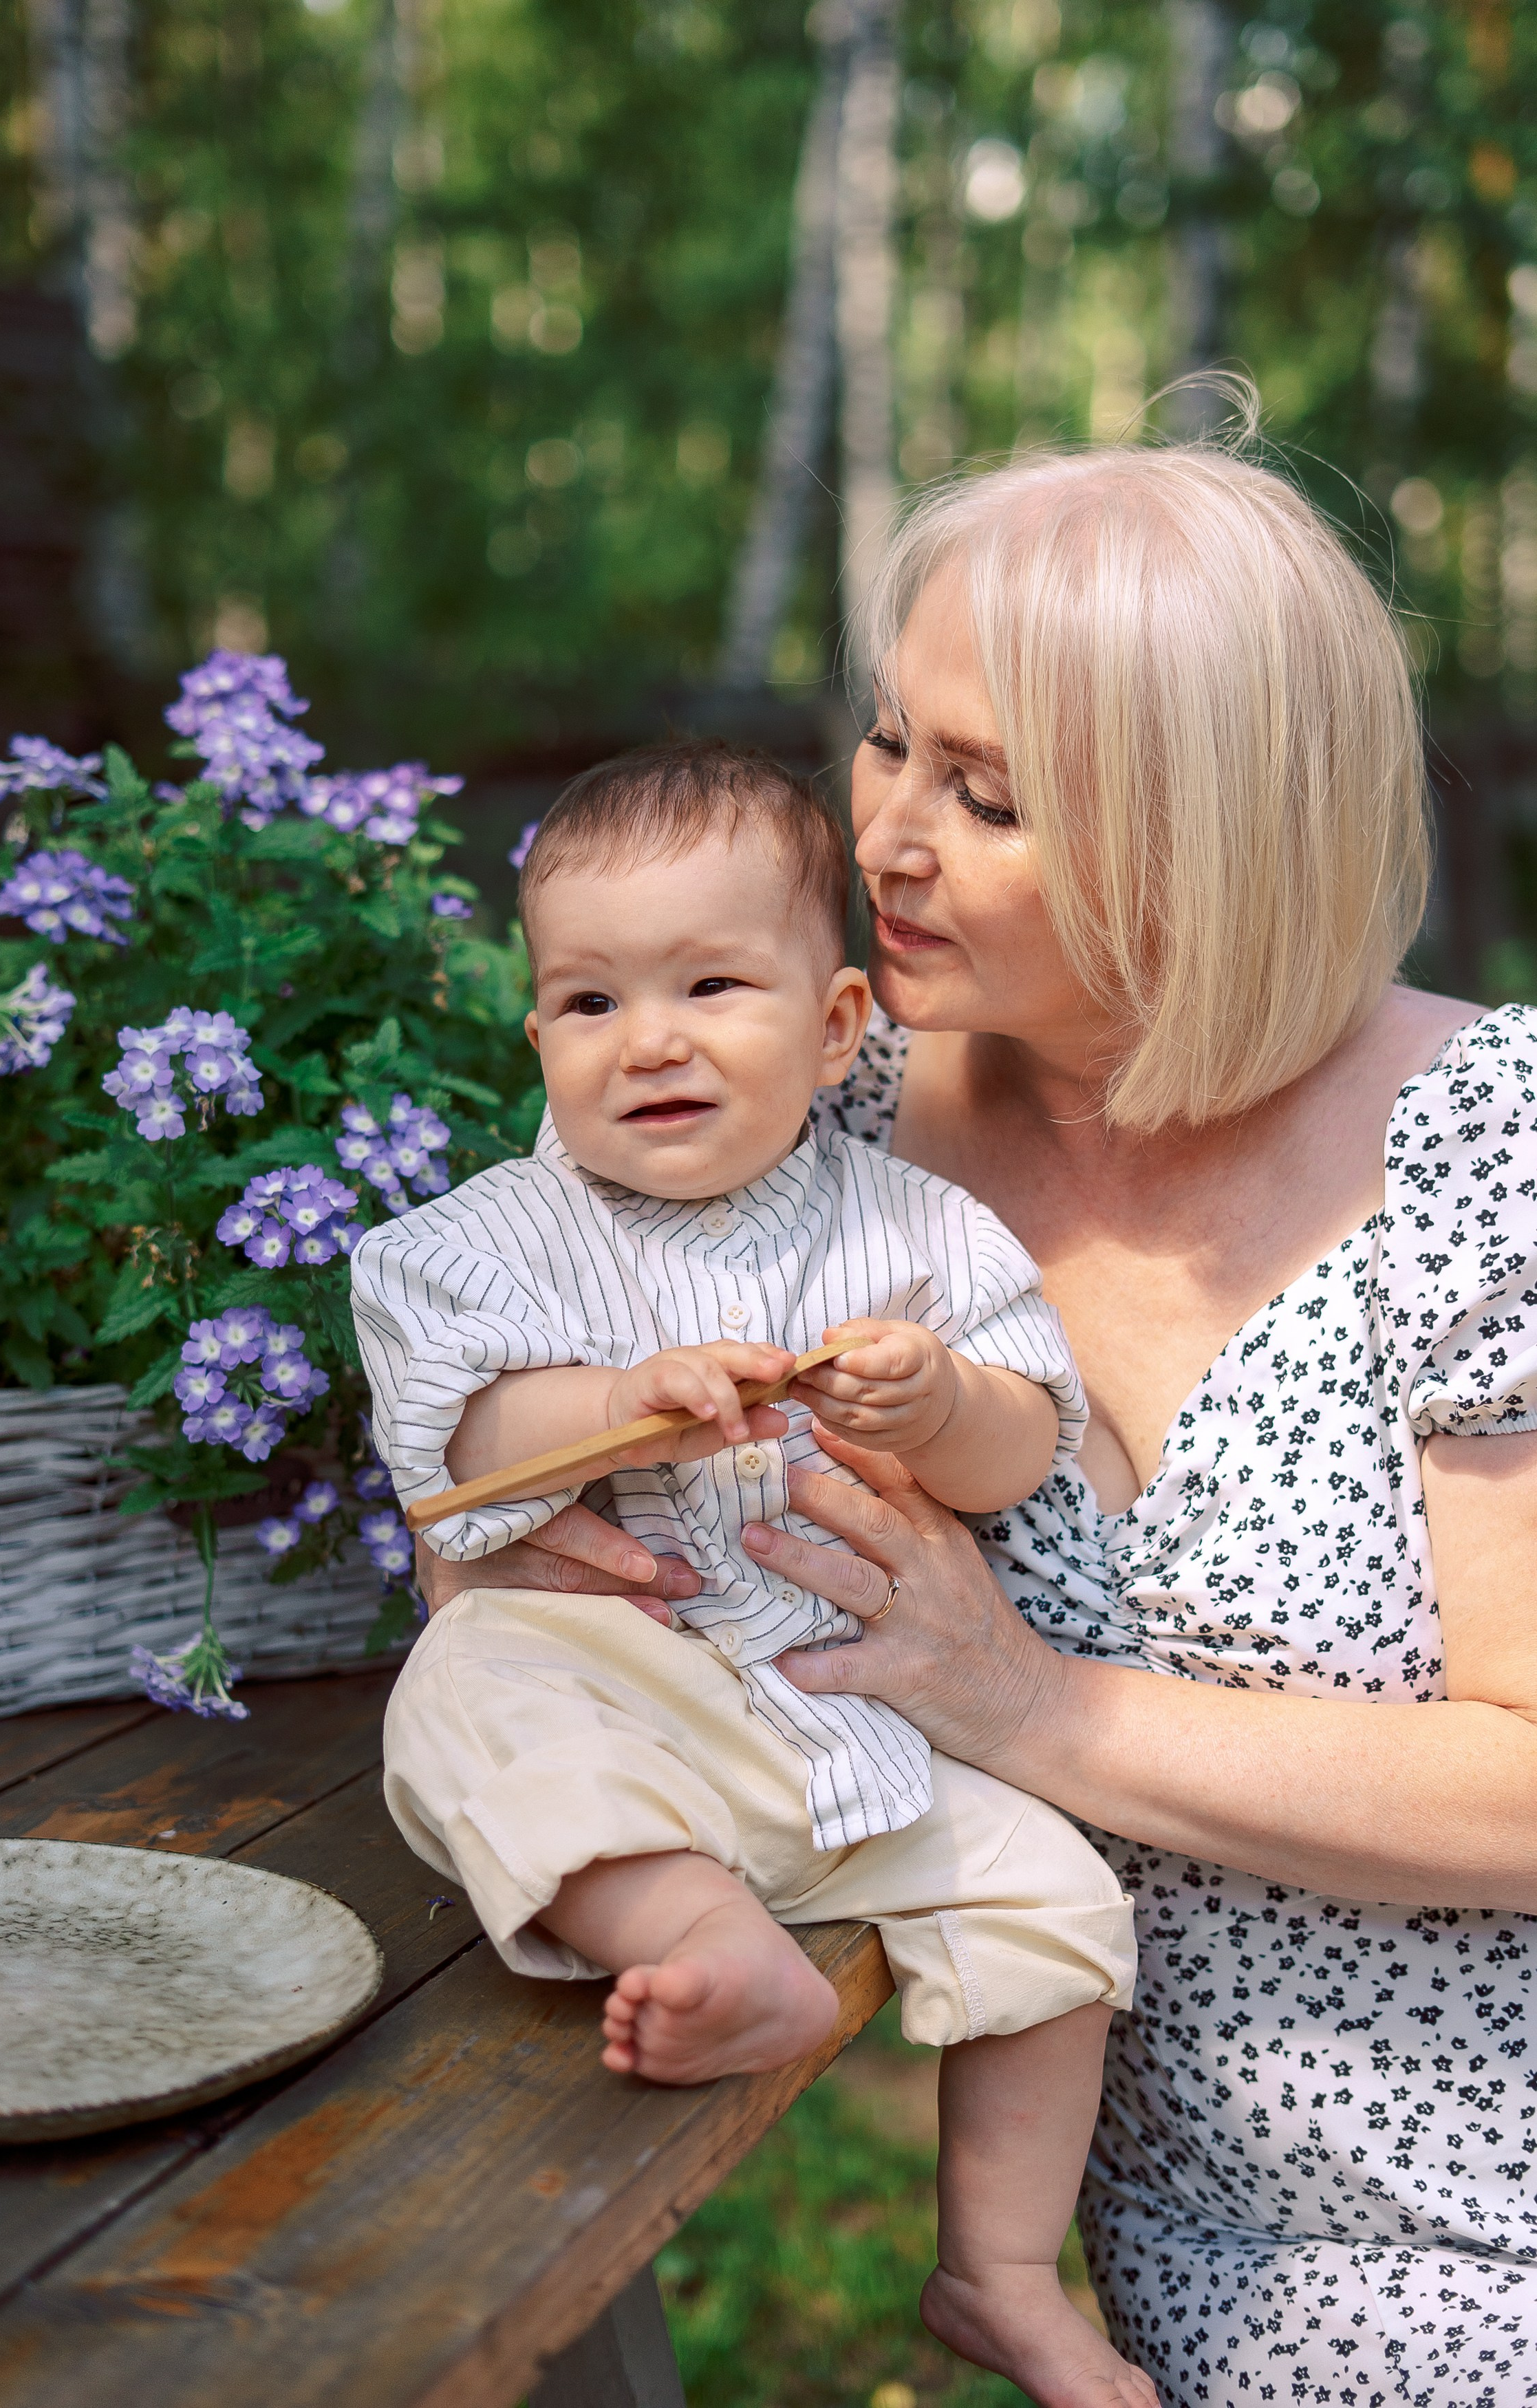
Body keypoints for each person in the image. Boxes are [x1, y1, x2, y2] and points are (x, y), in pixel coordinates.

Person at [415, 438, 1537, 2408]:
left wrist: (1022, 1703)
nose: (888, 839)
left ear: (1214, 834)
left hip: (1480, 2234)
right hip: (1157, 2251)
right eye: (883, 747)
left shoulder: (1484, 1150)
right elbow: (494, 1426)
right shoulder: (793, 1088)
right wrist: (502, 1516)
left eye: (987, 793)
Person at [354, 741, 1159, 2408]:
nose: (648, 1039)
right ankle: (714, 1948)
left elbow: (1029, 1442)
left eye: (710, 985)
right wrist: (605, 1408)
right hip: (630, 1689)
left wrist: (942, 1405)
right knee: (471, 1694)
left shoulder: (919, 1233)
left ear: (841, 1024)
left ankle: (1003, 2271)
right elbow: (462, 1438)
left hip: (861, 1725)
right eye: (588, 1004)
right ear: (541, 1042)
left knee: (1064, 1904)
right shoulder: (488, 1238)